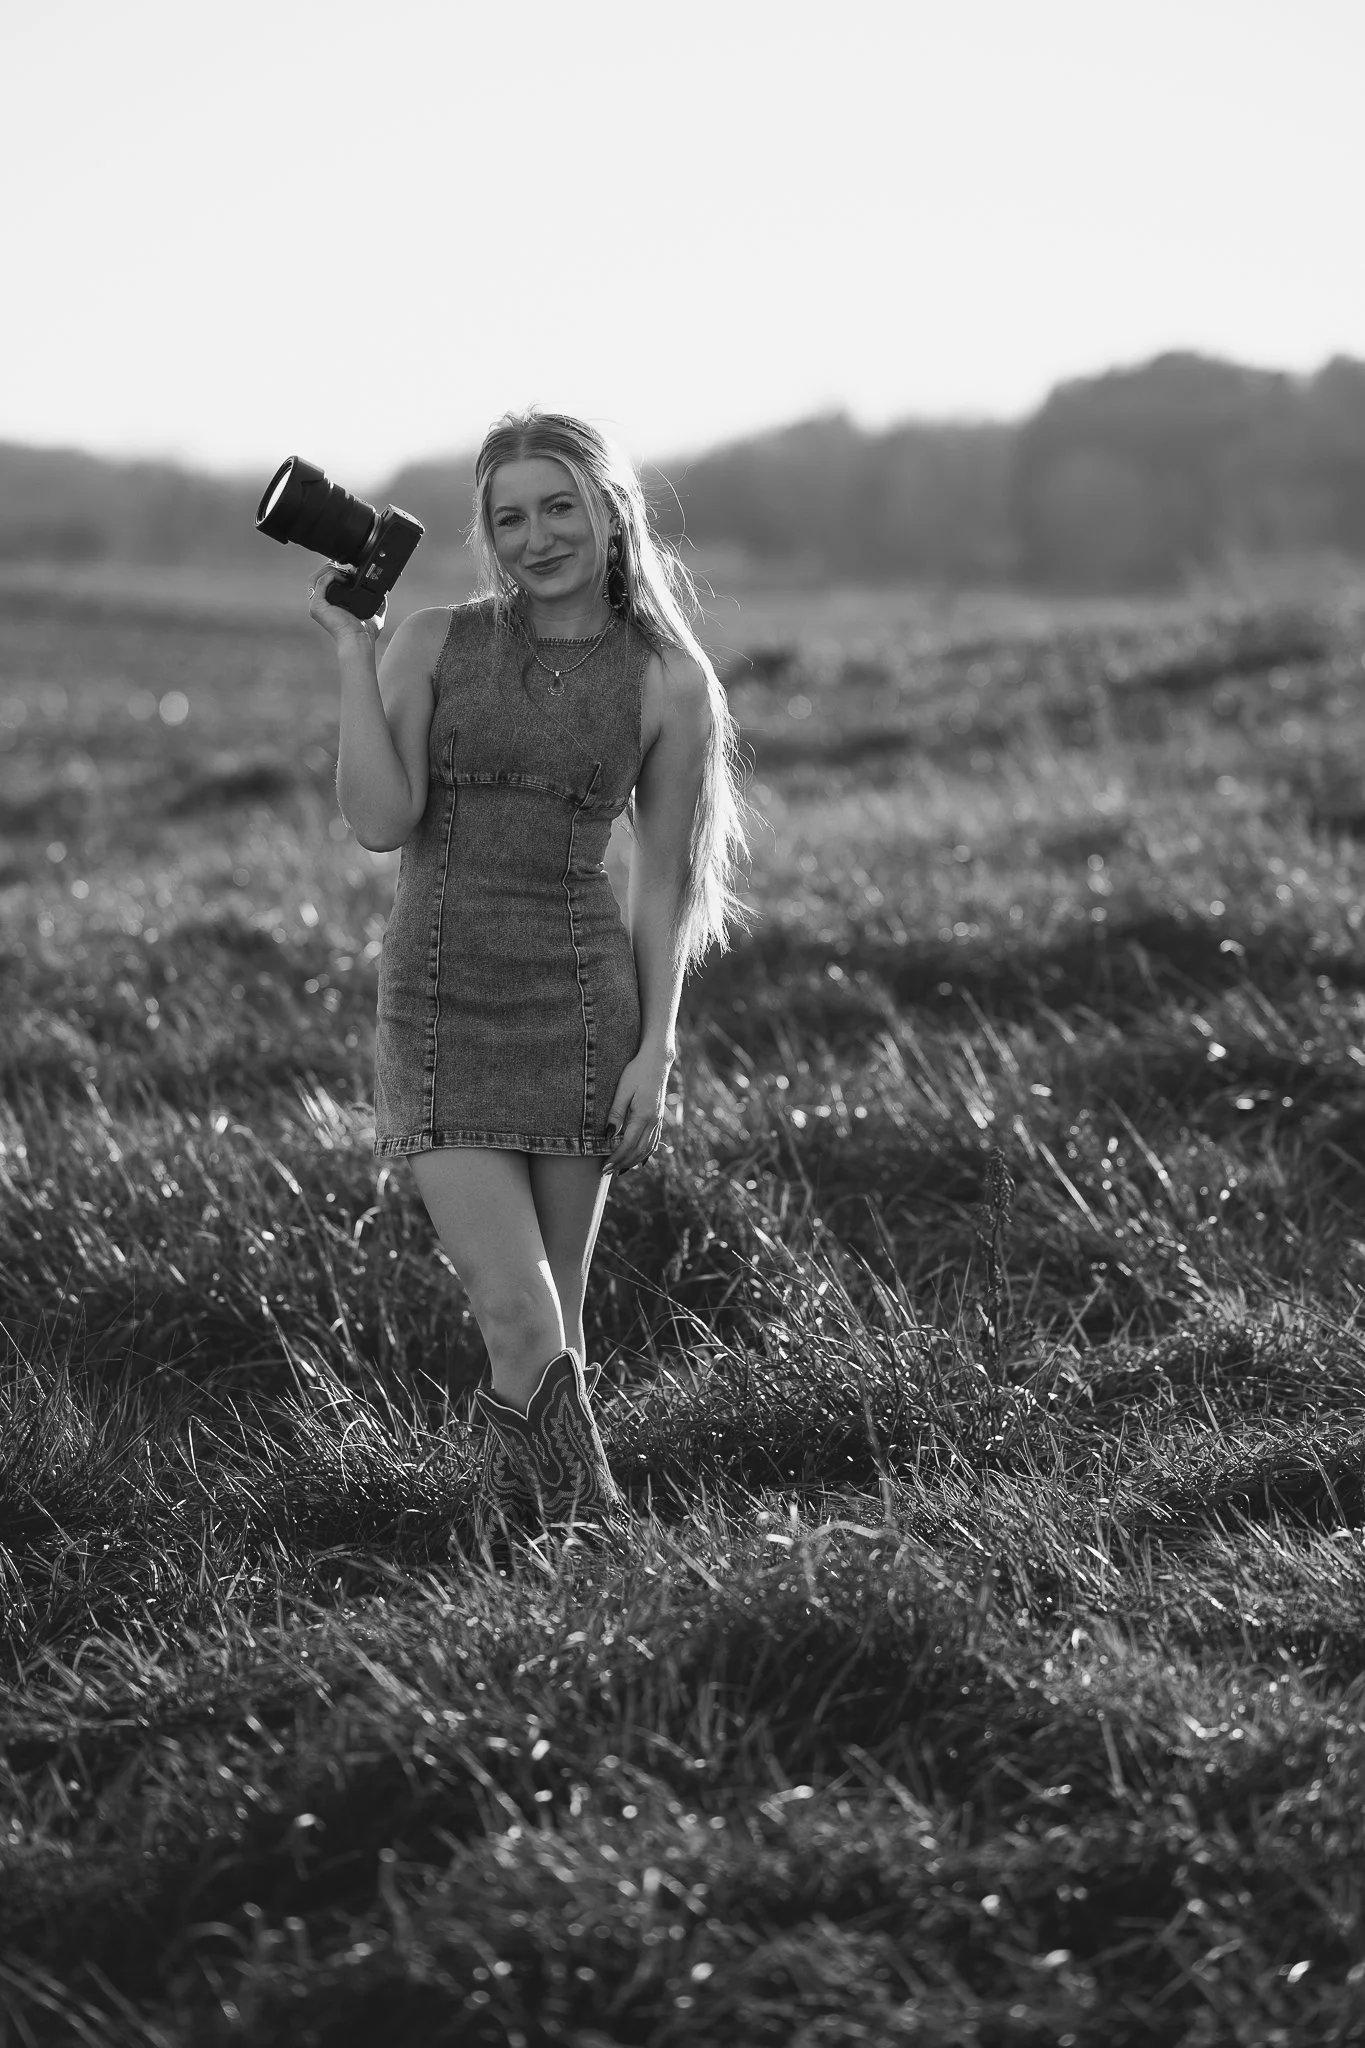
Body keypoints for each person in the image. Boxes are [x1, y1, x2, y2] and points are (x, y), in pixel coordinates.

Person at [308, 409, 749, 1546]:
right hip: (440, 997)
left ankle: (506, 1549)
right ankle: (605, 1540)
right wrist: (355, 653)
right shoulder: (435, 642)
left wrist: (658, 1044)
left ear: (610, 511)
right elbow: (379, 819)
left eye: (560, 505)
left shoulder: (667, 678)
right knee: (517, 1307)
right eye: (511, 516)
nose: (538, 534)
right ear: (488, 533)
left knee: (555, 1325)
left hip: (582, 1008)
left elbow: (661, 886)